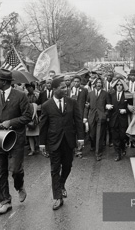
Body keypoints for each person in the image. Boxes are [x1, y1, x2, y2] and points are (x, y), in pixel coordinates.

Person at [0, 68, 33, 215]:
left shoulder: (20, 95)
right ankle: (5, 202)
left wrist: (11, 122)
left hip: (15, 138)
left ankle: (19, 186)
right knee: (1, 172)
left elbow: (27, 117)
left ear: (5, 82)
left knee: (15, 170)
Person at [39, 78, 84, 210]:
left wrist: (80, 138)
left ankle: (62, 182)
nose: (66, 89)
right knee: (54, 169)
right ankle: (57, 197)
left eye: (66, 87)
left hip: (68, 141)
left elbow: (78, 120)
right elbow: (43, 126)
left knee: (68, 165)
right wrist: (42, 144)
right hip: (53, 141)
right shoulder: (46, 105)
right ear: (54, 89)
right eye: (63, 87)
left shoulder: (72, 102)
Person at [84, 77, 113, 161]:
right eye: (97, 83)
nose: (99, 84)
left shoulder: (105, 94)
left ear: (102, 84)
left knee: (99, 135)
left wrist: (106, 115)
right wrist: (85, 117)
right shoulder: (90, 94)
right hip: (92, 117)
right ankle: (94, 145)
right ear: (94, 84)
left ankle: (98, 153)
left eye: (100, 83)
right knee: (92, 134)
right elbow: (87, 106)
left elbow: (109, 106)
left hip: (101, 117)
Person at [108, 78, 129, 161]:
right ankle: (117, 153)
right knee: (115, 137)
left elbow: (131, 107)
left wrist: (126, 110)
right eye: (117, 85)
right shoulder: (111, 95)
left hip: (123, 120)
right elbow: (107, 105)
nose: (119, 86)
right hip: (113, 119)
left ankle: (123, 147)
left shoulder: (127, 95)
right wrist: (107, 107)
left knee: (122, 136)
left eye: (121, 85)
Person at [70, 75, 88, 157]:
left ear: (80, 82)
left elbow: (86, 105)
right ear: (72, 82)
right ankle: (73, 148)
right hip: (70, 115)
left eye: (78, 81)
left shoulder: (84, 90)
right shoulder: (69, 91)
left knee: (80, 132)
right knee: (72, 132)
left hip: (80, 115)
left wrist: (85, 116)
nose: (76, 83)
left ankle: (79, 150)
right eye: (75, 81)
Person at [25, 82, 39, 156]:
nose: (28, 89)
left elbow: (40, 104)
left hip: (36, 116)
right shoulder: (25, 96)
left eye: (30, 87)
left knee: (37, 133)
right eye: (27, 87)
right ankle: (32, 149)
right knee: (29, 134)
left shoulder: (37, 95)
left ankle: (38, 146)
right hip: (28, 116)